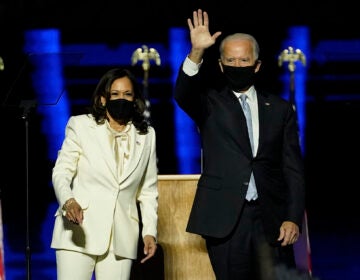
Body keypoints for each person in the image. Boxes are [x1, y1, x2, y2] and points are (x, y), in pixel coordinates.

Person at [174, 9, 306, 280]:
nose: (237, 66)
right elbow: (183, 93)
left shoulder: (280, 109)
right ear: (221, 66)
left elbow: (293, 168)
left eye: (244, 60)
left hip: (271, 219)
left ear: (257, 65)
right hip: (226, 219)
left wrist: (293, 217)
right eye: (230, 61)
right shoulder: (210, 103)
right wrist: (197, 51)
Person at [50, 68, 159, 280]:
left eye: (127, 95)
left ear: (134, 99)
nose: (122, 99)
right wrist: (68, 201)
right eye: (115, 94)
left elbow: (148, 190)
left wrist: (149, 232)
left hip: (122, 238)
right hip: (80, 231)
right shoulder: (81, 125)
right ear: (103, 99)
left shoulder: (147, 135)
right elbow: (62, 171)